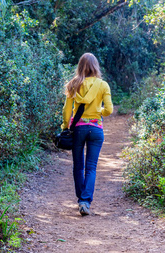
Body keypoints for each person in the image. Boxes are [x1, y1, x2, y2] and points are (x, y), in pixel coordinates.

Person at [61, 53, 113, 216]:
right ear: (95, 66)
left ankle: (81, 200)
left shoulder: (73, 85)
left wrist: (65, 126)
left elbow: (67, 111)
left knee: (78, 166)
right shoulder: (103, 85)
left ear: (80, 66)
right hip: (96, 129)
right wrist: (99, 111)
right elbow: (109, 110)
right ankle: (85, 201)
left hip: (78, 129)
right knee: (91, 167)